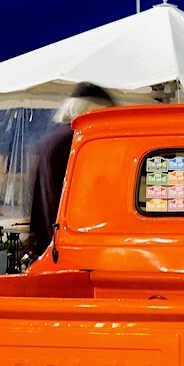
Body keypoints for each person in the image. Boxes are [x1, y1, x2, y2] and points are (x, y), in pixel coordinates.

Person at [28, 82, 115, 256]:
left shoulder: (51, 139)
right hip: (76, 244)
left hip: (52, 243)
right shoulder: (79, 142)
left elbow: (37, 196)